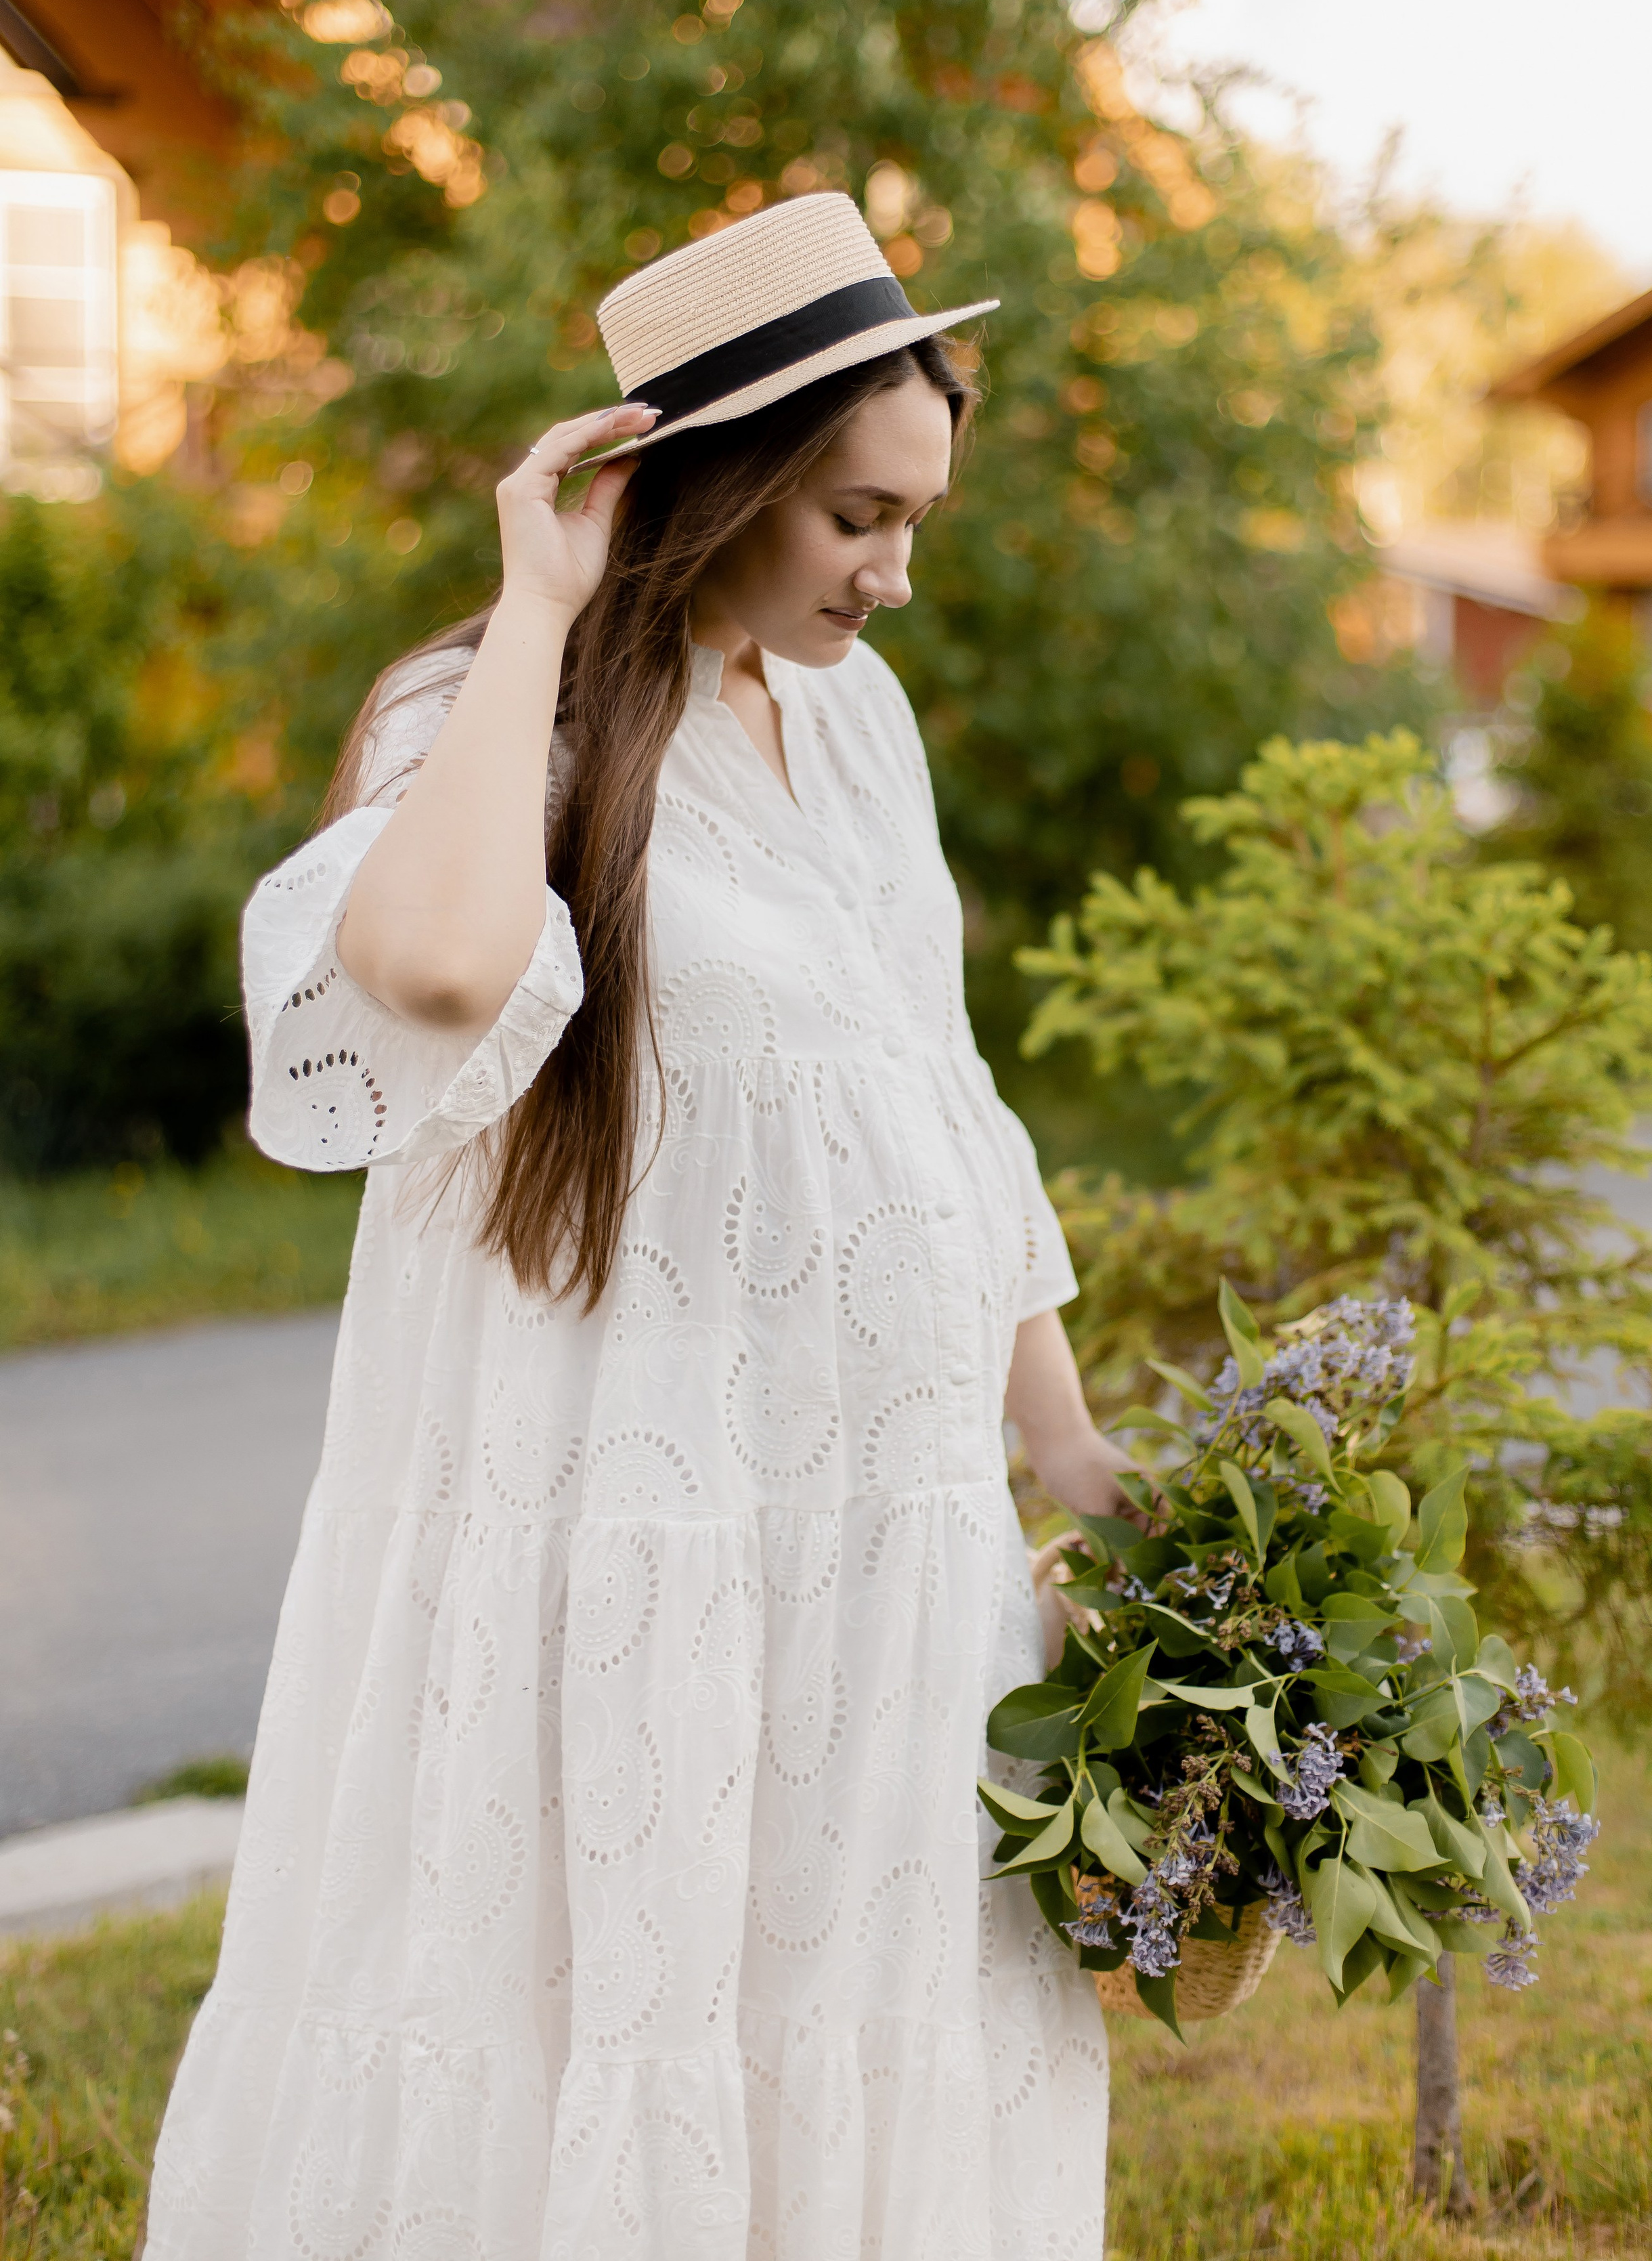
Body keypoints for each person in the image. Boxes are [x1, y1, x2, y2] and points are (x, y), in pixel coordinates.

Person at [144, 192, 1127, 2260]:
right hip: (623, 1536)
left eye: (917, 513)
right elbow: (421, 972)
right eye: (859, 516)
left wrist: (1067, 1449)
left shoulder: (853, 722)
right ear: (728, 480)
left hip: (875, 1537)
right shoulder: (493, 719)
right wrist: (535, 599)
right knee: (607, 2013)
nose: (900, 570)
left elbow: (939, 1093)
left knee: (838, 2005)